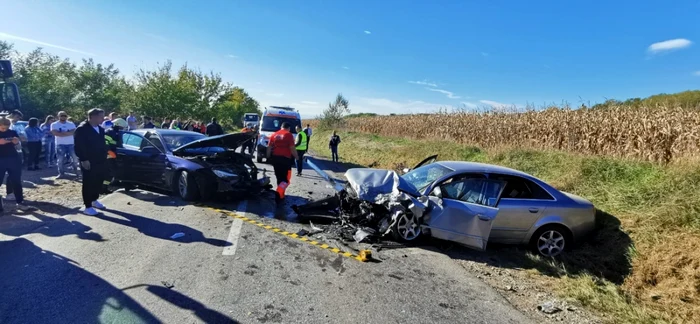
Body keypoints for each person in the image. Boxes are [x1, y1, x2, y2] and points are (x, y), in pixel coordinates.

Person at [74, 108, 108, 216]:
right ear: (93, 116)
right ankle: (87, 206)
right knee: (89, 182)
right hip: (88, 160)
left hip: (100, 159)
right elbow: (79, 146)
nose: (103, 119)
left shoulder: (100, 129)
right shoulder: (82, 129)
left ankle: (94, 199)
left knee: (98, 180)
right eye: (100, 116)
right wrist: (83, 159)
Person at [0, 116, 31, 212]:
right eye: (2, 128)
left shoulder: (12, 132)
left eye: (6, 128)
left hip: (13, 158)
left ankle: (20, 202)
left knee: (16, 181)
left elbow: (18, 144)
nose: (5, 130)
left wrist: (16, 141)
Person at [266, 122, 298, 203]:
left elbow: (269, 147)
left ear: (281, 127)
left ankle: (281, 195)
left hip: (275, 159)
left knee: (279, 177)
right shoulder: (288, 135)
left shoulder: (274, 134)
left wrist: (268, 157)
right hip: (285, 159)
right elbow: (292, 148)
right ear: (288, 128)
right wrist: (297, 157)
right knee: (286, 180)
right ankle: (278, 192)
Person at [51, 111, 80, 178]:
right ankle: (61, 173)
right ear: (58, 116)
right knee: (60, 160)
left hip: (71, 144)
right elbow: (55, 133)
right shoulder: (54, 124)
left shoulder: (71, 123)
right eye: (61, 115)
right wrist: (67, 132)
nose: (63, 117)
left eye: (64, 115)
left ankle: (76, 172)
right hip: (60, 144)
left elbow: (73, 132)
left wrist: (61, 133)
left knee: (75, 159)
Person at [104, 118, 127, 193]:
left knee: (114, 170)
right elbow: (105, 143)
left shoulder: (116, 132)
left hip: (114, 154)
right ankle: (103, 188)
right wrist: (109, 152)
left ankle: (114, 182)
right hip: (108, 155)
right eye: (122, 127)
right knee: (110, 172)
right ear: (118, 125)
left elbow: (117, 143)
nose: (122, 129)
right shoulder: (109, 132)